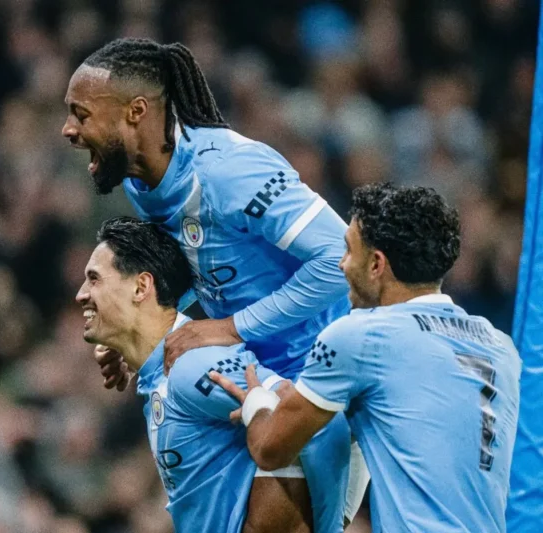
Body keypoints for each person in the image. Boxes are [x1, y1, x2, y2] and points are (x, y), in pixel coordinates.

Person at [62, 37, 358, 532]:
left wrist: (233, 327)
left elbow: (339, 260)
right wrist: (135, 332)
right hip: (254, 379)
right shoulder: (142, 185)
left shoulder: (230, 172)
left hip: (323, 382)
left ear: (136, 112)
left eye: (81, 114)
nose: (68, 129)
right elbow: (197, 270)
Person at [211, 184, 522, 533]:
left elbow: (271, 449)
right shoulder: (501, 348)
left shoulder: (360, 335)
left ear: (376, 264)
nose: (341, 264)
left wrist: (258, 401)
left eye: (348, 249)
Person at [76, 216, 312, 533]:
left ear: (141, 287)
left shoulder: (190, 366)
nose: (81, 294)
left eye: (94, 279)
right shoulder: (159, 373)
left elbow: (301, 413)